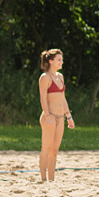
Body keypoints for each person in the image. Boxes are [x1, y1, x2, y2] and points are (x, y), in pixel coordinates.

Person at [38, 49, 74, 182]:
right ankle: (43, 179)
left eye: (62, 59)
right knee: (46, 149)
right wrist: (47, 116)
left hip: (60, 118)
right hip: (50, 117)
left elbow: (63, 99)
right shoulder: (45, 77)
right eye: (59, 59)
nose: (61, 62)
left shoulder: (60, 77)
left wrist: (69, 117)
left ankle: (51, 180)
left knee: (54, 150)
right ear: (50, 61)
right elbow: (42, 98)